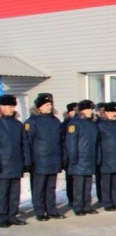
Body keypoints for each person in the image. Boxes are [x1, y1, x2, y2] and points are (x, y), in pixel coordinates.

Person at [25, 93, 66, 221]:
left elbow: (61, 141)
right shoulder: (32, 122)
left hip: (53, 160)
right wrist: (28, 161)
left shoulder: (55, 121)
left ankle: (52, 210)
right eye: (47, 104)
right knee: (39, 188)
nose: (50, 107)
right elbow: (26, 143)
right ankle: (40, 211)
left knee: (51, 187)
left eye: (50, 104)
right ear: (39, 107)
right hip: (39, 161)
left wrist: (62, 158)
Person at [0, 94, 31, 227]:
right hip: (3, 164)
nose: (12, 109)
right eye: (9, 106)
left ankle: (12, 216)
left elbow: (24, 144)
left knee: (14, 192)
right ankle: (2, 217)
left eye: (13, 106)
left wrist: (26, 161)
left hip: (16, 163)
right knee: (2, 193)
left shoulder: (18, 124)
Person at [65, 99, 100, 216]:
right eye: (88, 109)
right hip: (79, 158)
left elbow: (96, 143)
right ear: (81, 111)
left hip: (89, 158)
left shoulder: (92, 124)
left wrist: (97, 157)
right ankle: (78, 207)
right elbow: (71, 142)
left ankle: (87, 205)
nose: (90, 112)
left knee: (88, 184)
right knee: (79, 185)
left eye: (91, 109)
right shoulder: (74, 124)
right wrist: (73, 158)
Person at [96, 102, 116, 211]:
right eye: (111, 111)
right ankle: (107, 203)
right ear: (106, 113)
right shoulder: (100, 125)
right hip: (106, 158)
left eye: (115, 111)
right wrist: (98, 158)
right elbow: (97, 143)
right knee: (106, 183)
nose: (114, 113)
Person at [61, 102, 77, 207]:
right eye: (73, 111)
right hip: (68, 156)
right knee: (70, 179)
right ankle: (71, 199)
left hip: (78, 156)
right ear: (68, 112)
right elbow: (63, 142)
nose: (75, 113)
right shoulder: (65, 125)